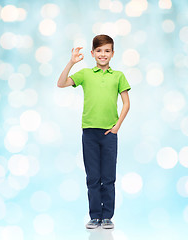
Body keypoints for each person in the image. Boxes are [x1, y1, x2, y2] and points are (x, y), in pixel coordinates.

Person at [57, 34, 131, 229]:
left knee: (108, 177)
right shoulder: (85, 74)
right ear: (92, 53)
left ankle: (107, 216)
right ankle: (94, 216)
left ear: (113, 53)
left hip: (109, 134)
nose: (103, 54)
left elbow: (126, 103)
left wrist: (117, 126)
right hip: (89, 133)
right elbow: (61, 83)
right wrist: (71, 62)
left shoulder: (118, 76)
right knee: (93, 177)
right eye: (99, 51)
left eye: (107, 51)